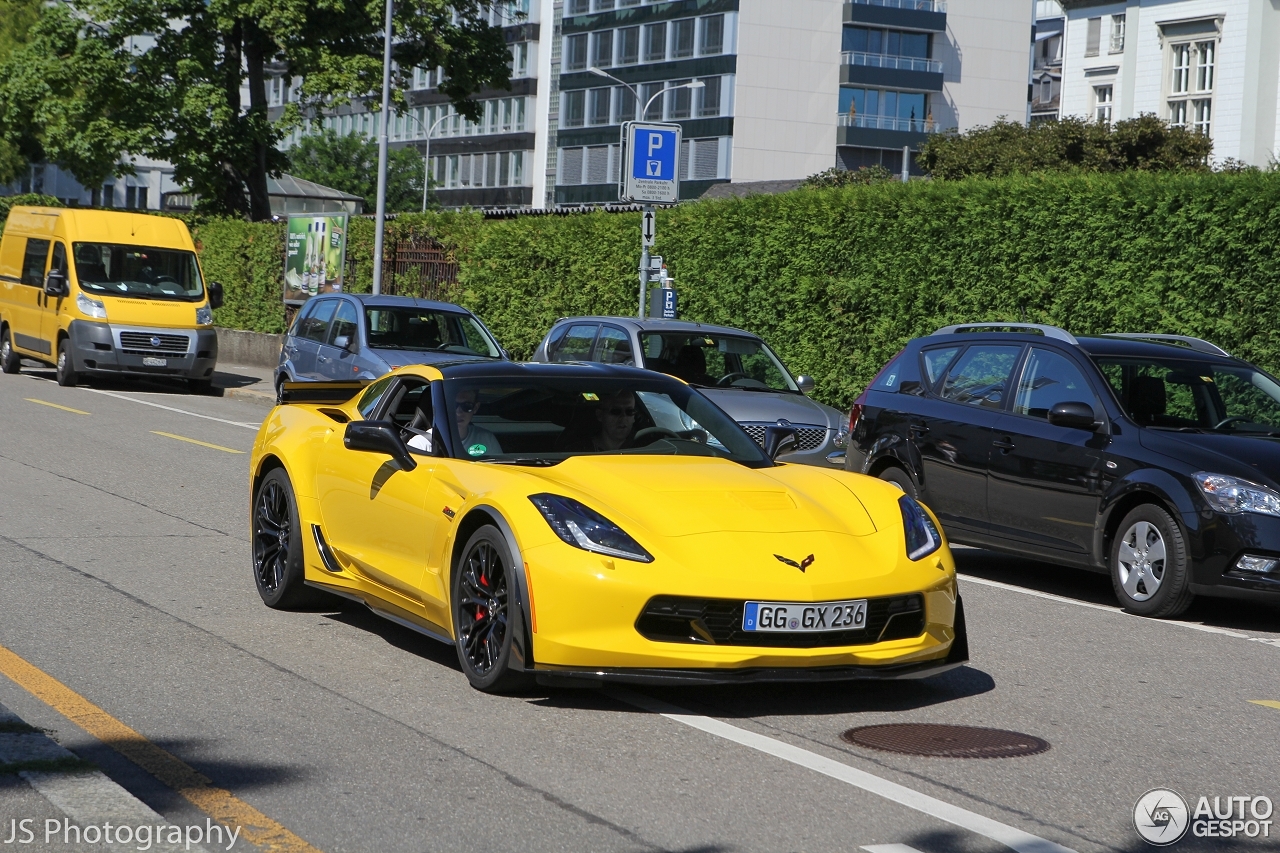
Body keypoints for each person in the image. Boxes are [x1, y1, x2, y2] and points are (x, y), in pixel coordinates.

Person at [456, 389, 502, 456]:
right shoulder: (435, 440)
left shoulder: (487, 438)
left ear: (475, 408)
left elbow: (499, 466)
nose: (458, 412)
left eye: (467, 406)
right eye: (453, 405)